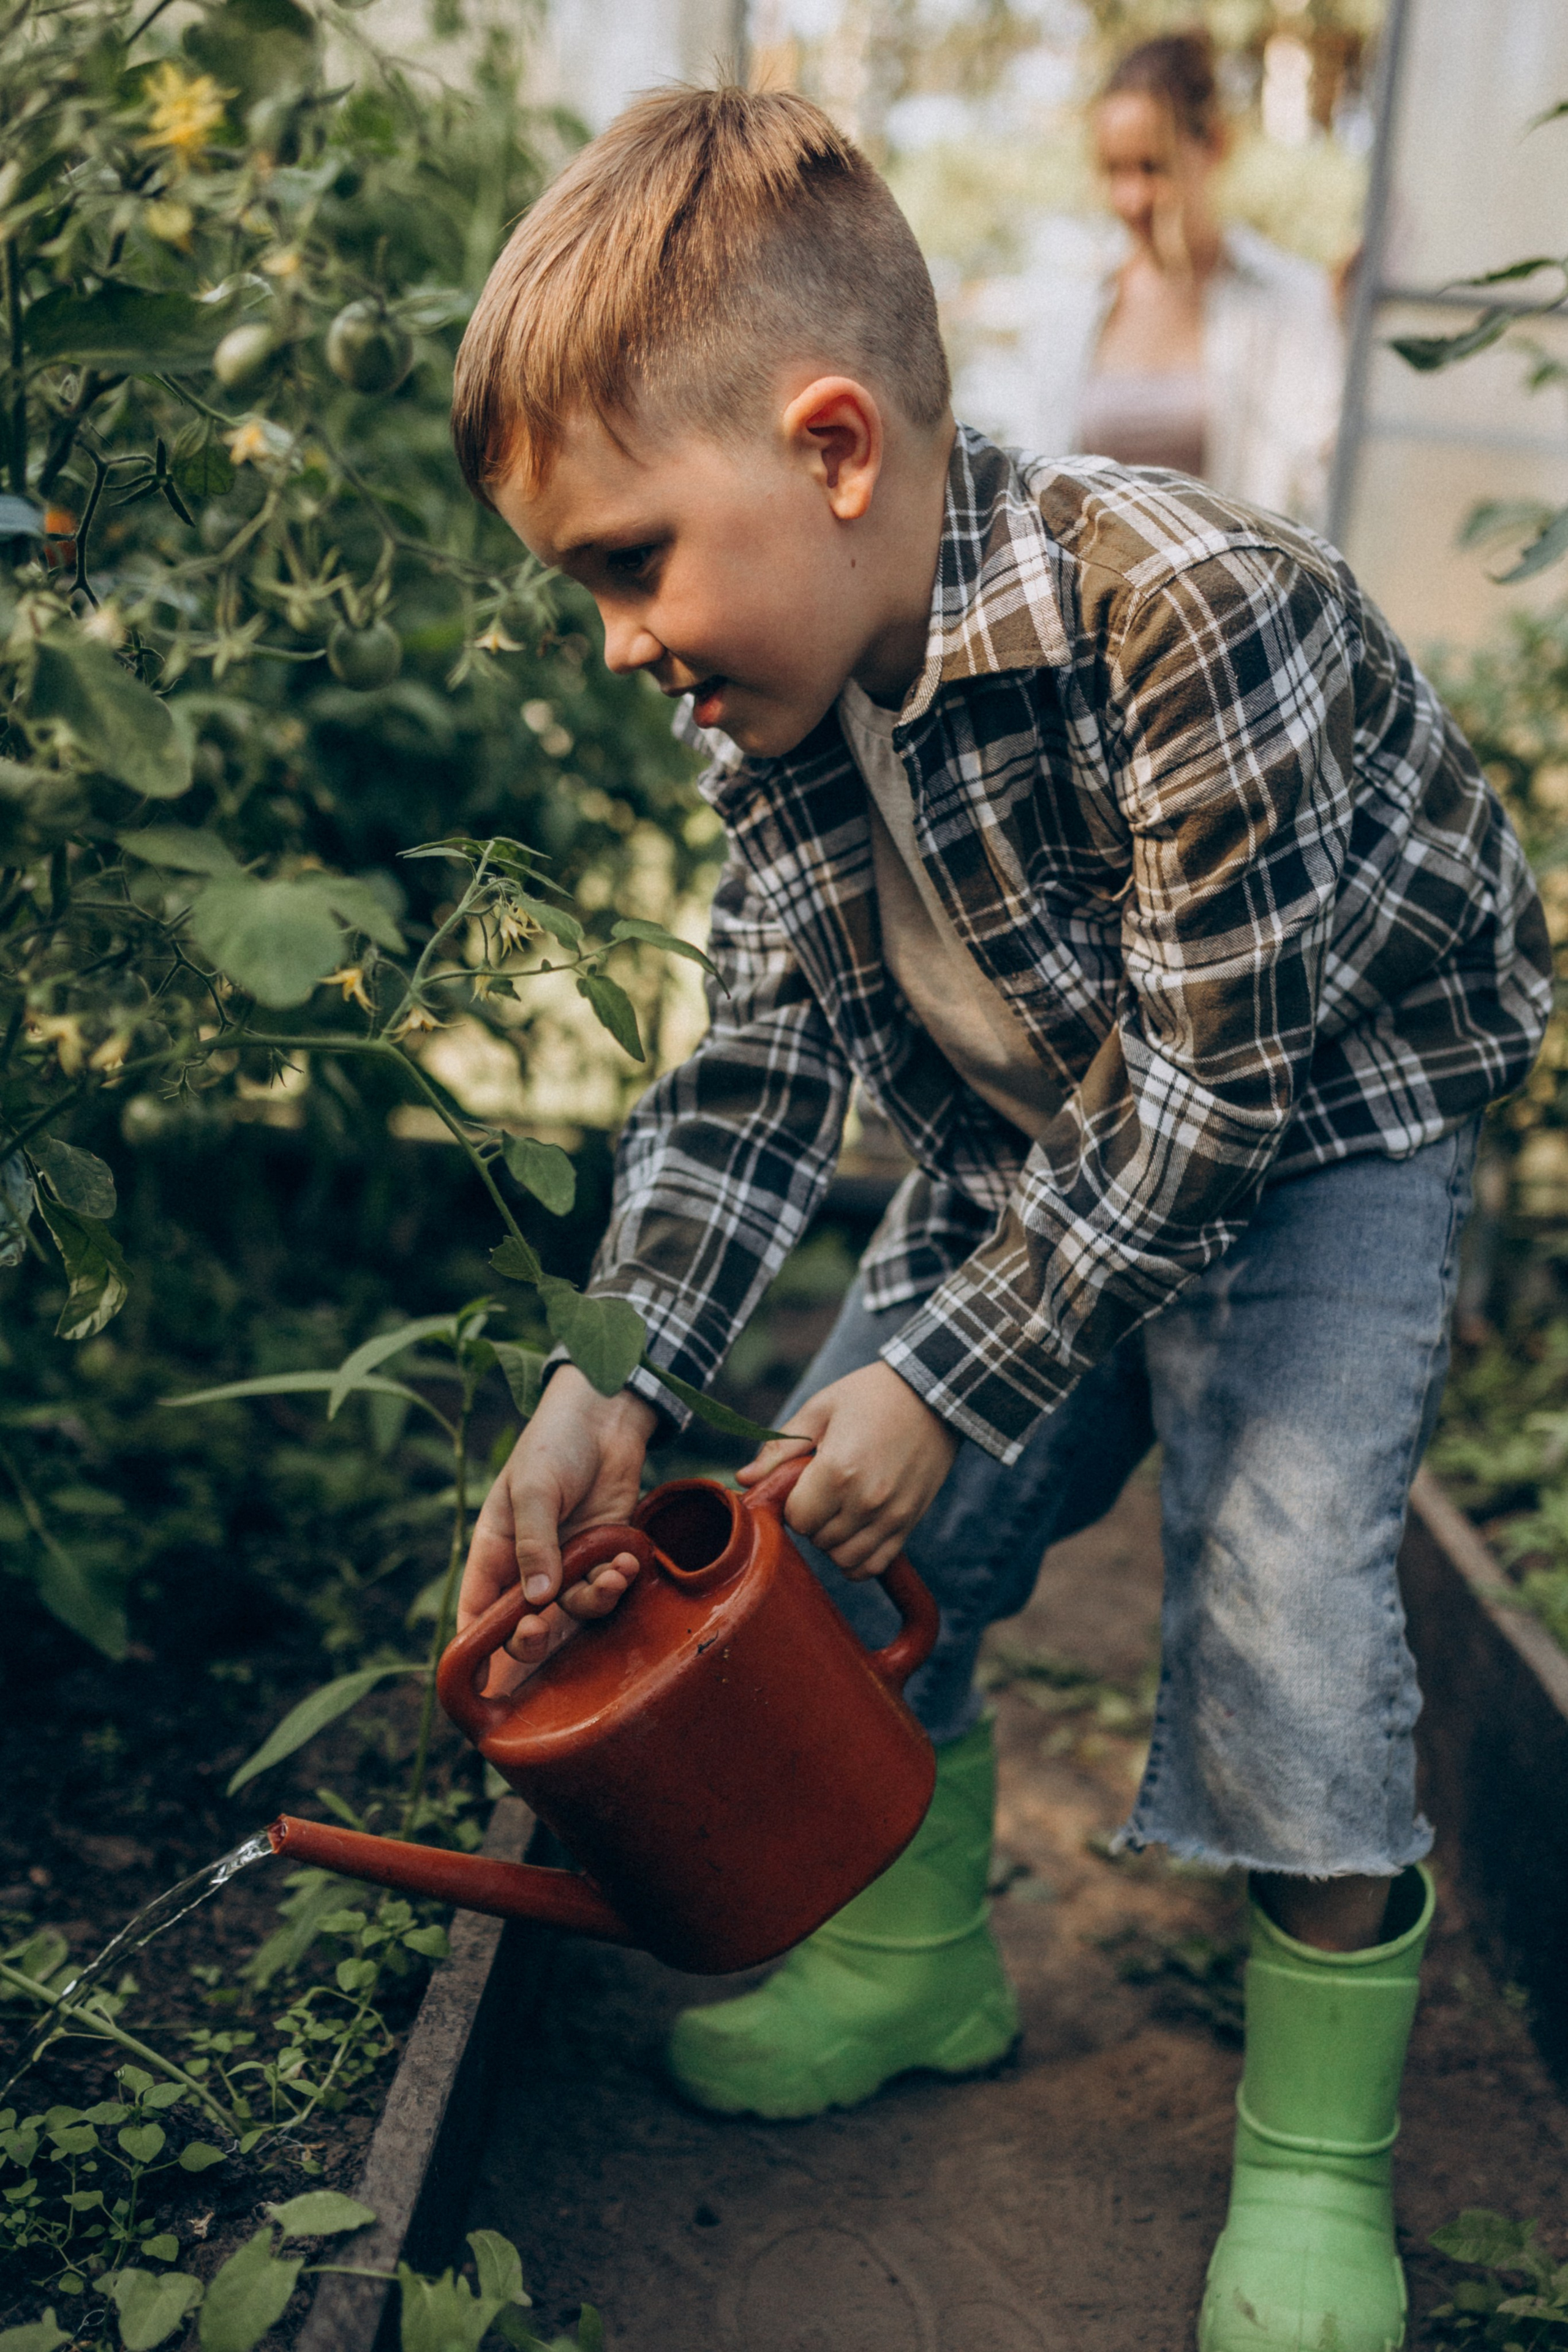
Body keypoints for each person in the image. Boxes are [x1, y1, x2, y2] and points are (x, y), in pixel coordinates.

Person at [448, 85, 1550, 2352]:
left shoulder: (1188, 613)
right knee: (874, 1539)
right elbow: (759, 1067)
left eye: (626, 563)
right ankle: (914, 1961)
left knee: (1280, 1594)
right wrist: (612, 1370)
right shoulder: (767, 704)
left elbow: (1214, 1082)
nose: (615, 642)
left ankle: (1318, 2170)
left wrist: (945, 1375)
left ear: (831, 448)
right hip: (1035, 1121)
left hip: (1311, 1119)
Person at [956, 31, 1344, 527]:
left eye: (1152, 167)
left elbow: (1322, 482)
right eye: (1114, 170)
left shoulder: (1291, 300)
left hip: (1243, 600)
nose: (1130, 198)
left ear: (1215, 146)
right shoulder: (1073, 310)